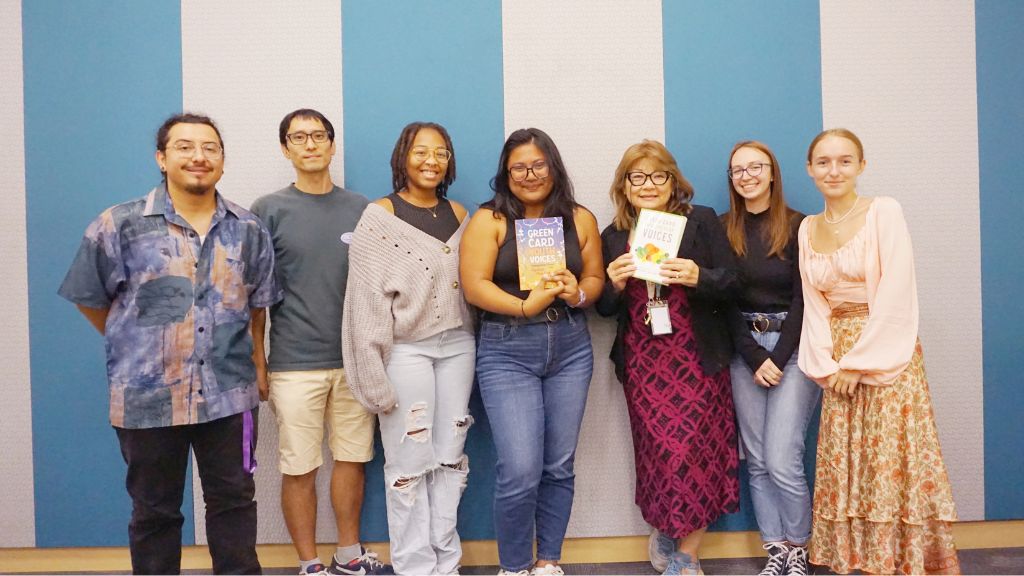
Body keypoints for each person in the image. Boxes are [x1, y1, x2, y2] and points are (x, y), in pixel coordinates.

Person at [58, 113, 279, 575]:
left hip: (230, 395)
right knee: (154, 512)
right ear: (161, 157)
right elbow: (90, 297)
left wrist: (258, 362)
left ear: (222, 160)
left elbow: (258, 304)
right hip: (147, 397)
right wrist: (138, 343)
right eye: (184, 146)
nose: (198, 156)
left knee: (234, 504)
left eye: (210, 148)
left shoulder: (249, 229)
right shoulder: (119, 224)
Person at [798, 128, 959, 575]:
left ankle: (898, 562)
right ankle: (858, 560)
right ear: (809, 170)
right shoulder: (807, 228)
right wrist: (826, 365)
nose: (834, 170)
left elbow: (896, 290)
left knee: (888, 457)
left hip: (886, 354)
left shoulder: (883, 212)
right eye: (824, 162)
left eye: (845, 161)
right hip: (837, 360)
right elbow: (814, 304)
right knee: (848, 459)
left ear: (861, 166)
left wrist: (859, 363)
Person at [250, 109, 390, 576]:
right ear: (286, 149)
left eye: (319, 136)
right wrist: (259, 362)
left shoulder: (361, 209)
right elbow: (254, 295)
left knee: (353, 459)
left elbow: (379, 285)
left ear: (332, 146)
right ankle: (309, 564)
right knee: (300, 466)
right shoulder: (268, 209)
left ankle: (348, 554)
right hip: (293, 363)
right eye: (299, 137)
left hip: (354, 361)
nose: (310, 144)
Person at [460, 128, 603, 576]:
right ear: (506, 173)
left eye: (538, 164)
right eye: (519, 167)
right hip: (507, 349)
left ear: (553, 167)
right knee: (520, 468)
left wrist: (577, 293)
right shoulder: (491, 220)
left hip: (571, 346)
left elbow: (596, 279)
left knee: (558, 464)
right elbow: (474, 285)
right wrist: (524, 305)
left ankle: (548, 561)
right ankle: (515, 566)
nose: (529, 174)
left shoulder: (579, 218)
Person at [597, 140, 739, 576]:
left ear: (673, 180)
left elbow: (732, 282)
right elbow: (602, 308)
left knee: (696, 451)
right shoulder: (614, 235)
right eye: (636, 177)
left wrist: (699, 277)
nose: (648, 185)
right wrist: (614, 285)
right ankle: (665, 525)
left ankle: (688, 554)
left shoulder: (701, 221)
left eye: (658, 175)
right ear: (624, 186)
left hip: (696, 355)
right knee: (659, 453)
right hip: (643, 361)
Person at [341, 122, 475, 575]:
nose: (431, 161)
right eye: (421, 152)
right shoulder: (379, 216)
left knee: (450, 456)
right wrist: (371, 374)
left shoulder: (460, 214)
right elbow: (363, 303)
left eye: (441, 152)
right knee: (407, 462)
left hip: (459, 346)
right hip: (406, 351)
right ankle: (415, 566)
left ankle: (446, 562)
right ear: (404, 156)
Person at [721, 141, 819, 576]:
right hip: (745, 350)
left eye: (755, 167)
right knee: (757, 459)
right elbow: (722, 300)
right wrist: (754, 355)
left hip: (794, 350)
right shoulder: (722, 230)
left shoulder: (802, 227)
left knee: (783, 457)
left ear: (773, 173)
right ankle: (776, 549)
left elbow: (806, 299)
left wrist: (777, 356)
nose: (747, 176)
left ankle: (800, 545)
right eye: (738, 170)